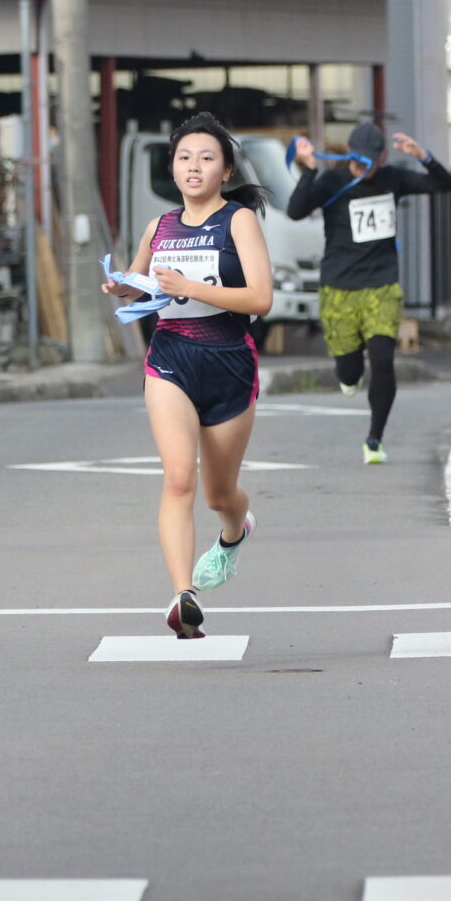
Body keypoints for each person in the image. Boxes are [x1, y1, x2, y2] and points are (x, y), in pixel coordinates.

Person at [104, 112, 272, 637]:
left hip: (229, 363)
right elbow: (144, 282)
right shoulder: (160, 226)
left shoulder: (238, 219)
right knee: (179, 475)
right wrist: (125, 288)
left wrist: (189, 286)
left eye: (206, 158)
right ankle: (183, 596)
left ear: (225, 170)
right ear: (172, 170)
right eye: (183, 157)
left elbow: (261, 299)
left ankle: (234, 531)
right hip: (170, 358)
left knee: (219, 494)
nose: (193, 166)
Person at [287, 121, 451, 464]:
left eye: (372, 161)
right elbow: (296, 211)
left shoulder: (392, 177)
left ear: (382, 157)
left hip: (382, 285)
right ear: (350, 154)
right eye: (359, 161)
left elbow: (446, 185)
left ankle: (375, 439)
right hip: (338, 287)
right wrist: (308, 171)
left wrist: (423, 156)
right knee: (349, 371)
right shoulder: (333, 181)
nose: (365, 168)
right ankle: (349, 377)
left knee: (383, 361)